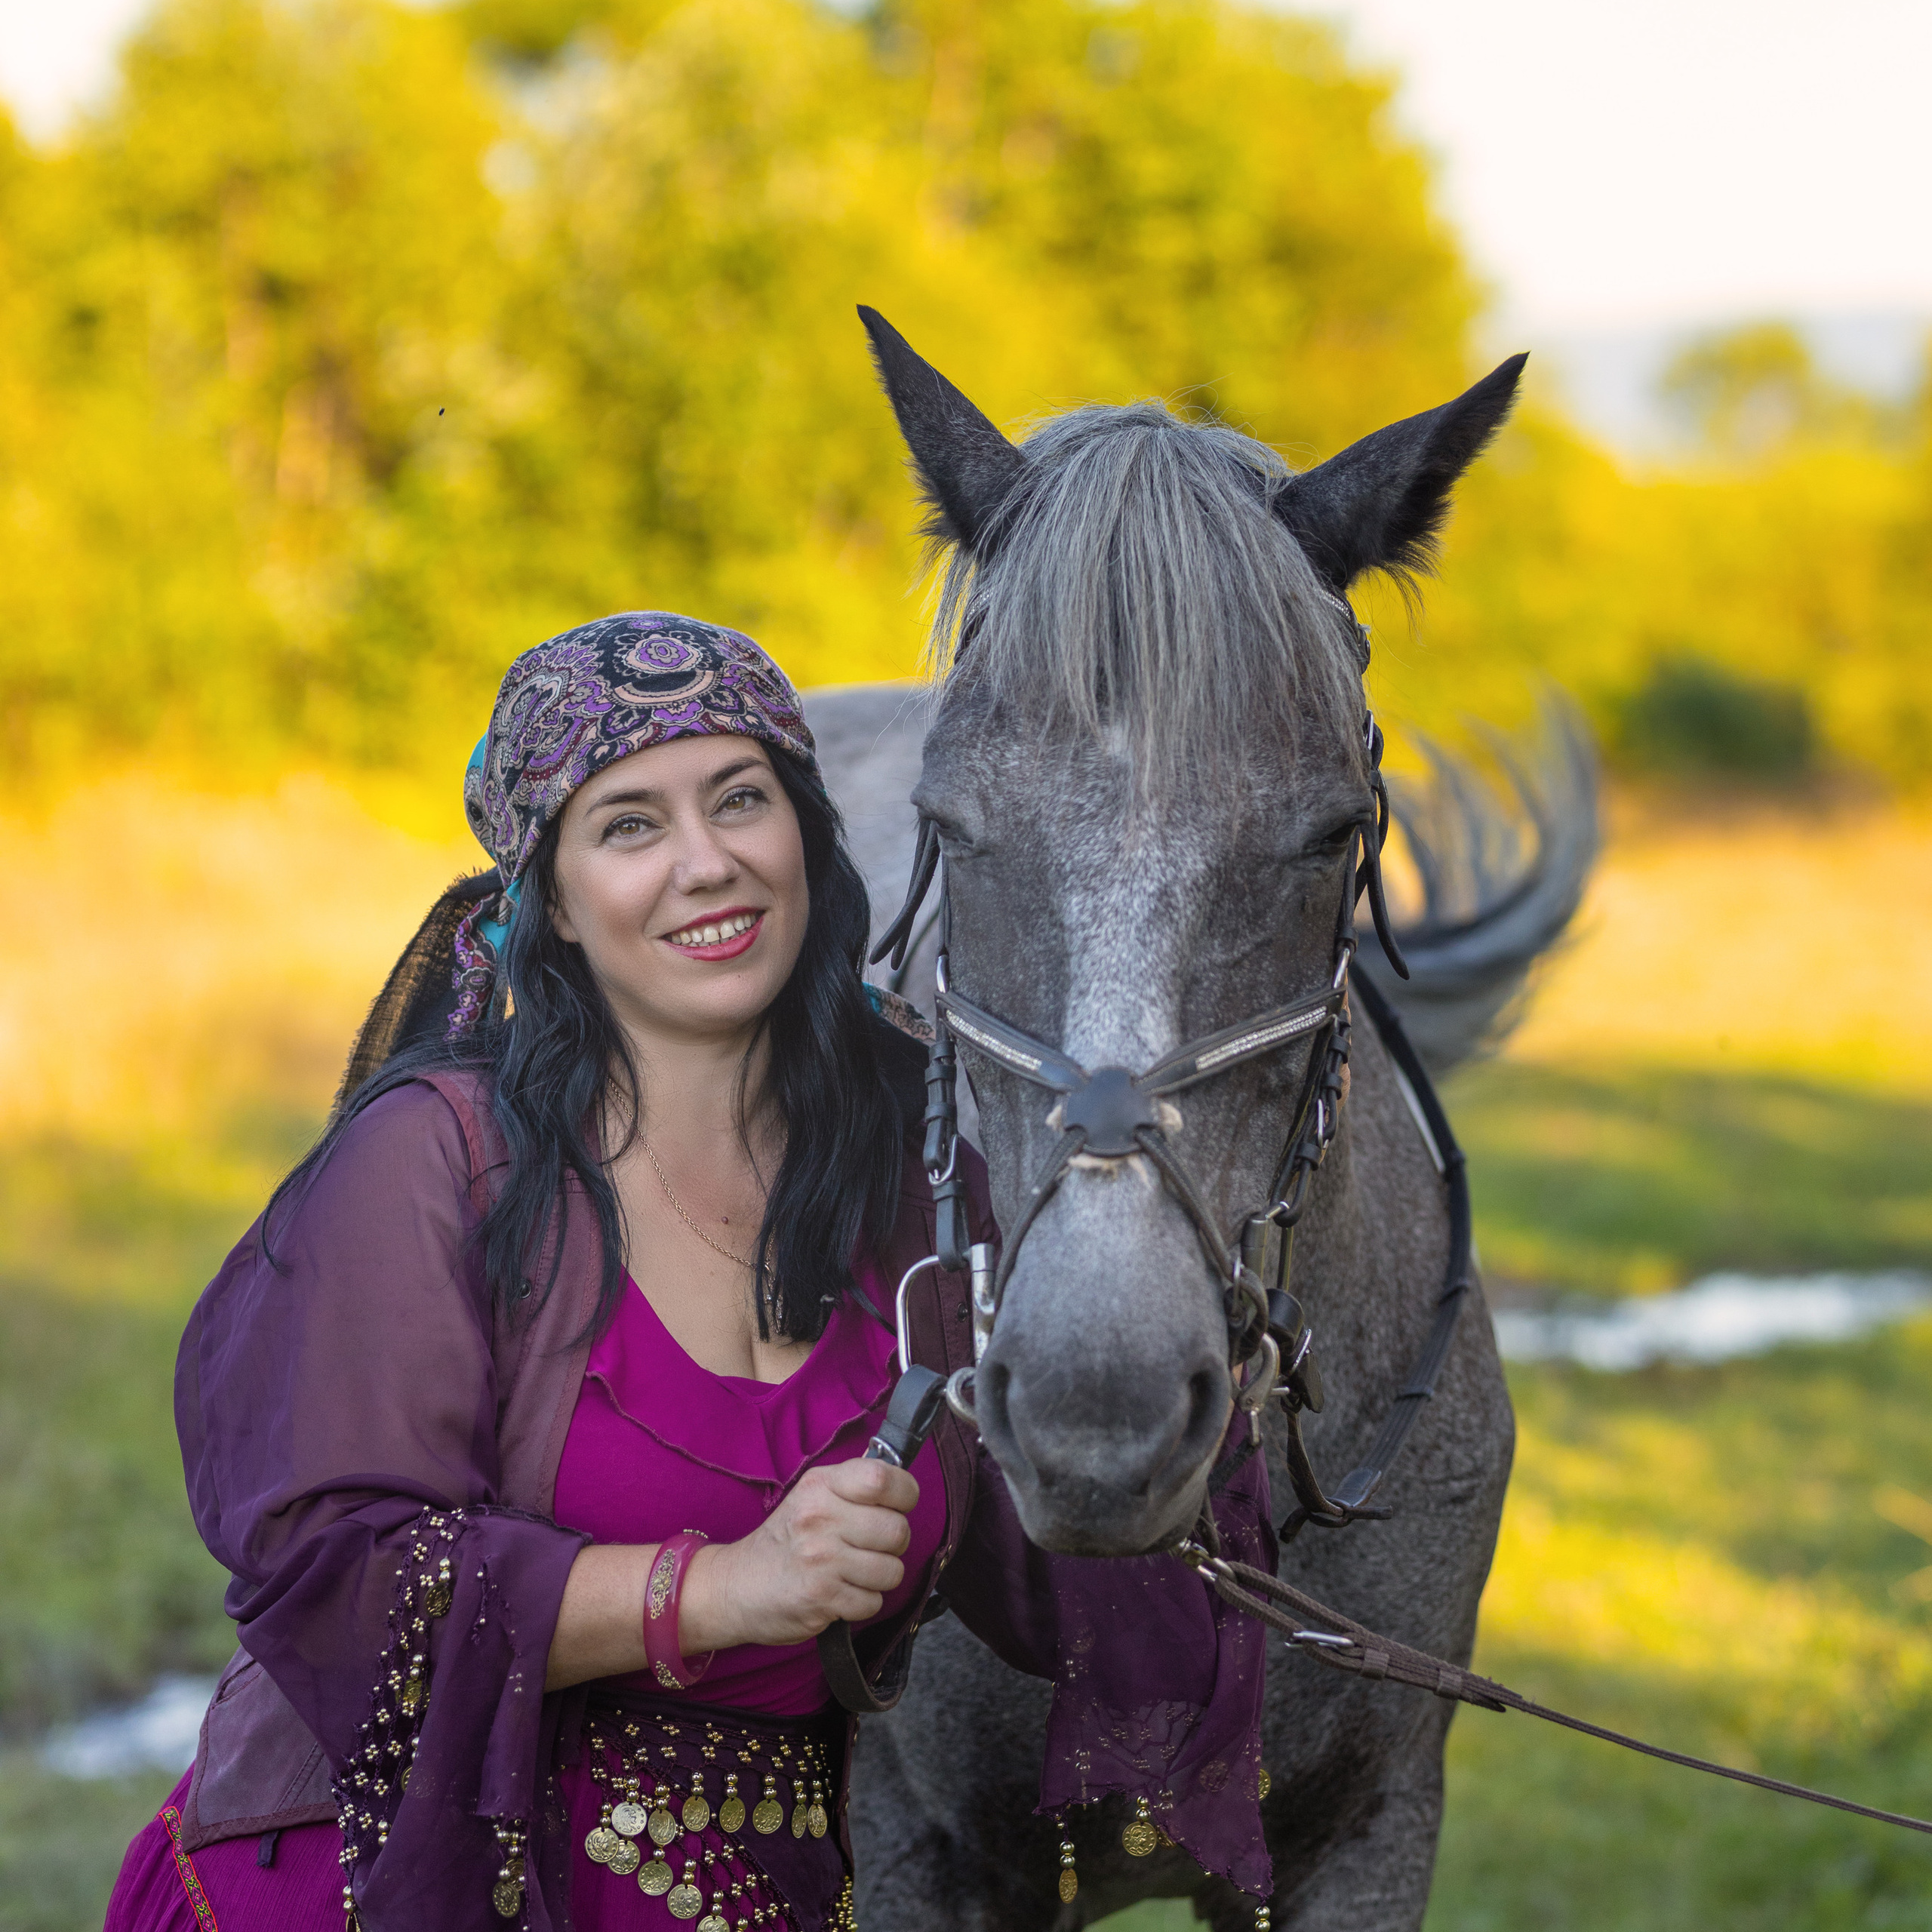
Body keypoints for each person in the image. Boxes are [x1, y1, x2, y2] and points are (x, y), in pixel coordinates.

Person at [103, 611, 1274, 1932]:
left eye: (740, 800)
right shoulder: (437, 1162)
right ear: (547, 894)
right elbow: (343, 1581)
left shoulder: (921, 1172)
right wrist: (726, 1588)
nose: (707, 865)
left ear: (808, 835)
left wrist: (1189, 1377)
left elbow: (1064, 1553)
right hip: (384, 1887)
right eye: (630, 826)